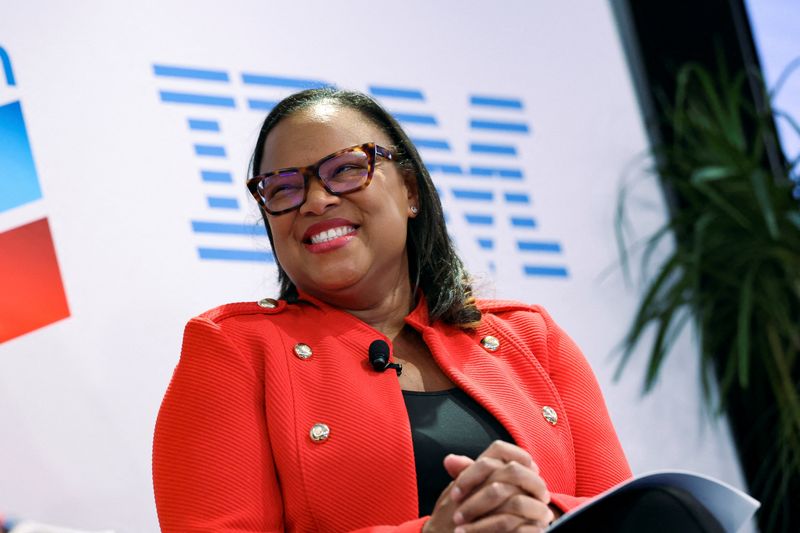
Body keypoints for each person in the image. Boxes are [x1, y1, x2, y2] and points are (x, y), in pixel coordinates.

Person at [152, 88, 634, 532]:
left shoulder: (530, 337)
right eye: (283, 189)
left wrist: (541, 515)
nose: (316, 200)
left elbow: (628, 517)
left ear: (410, 191)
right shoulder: (231, 351)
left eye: (344, 169)